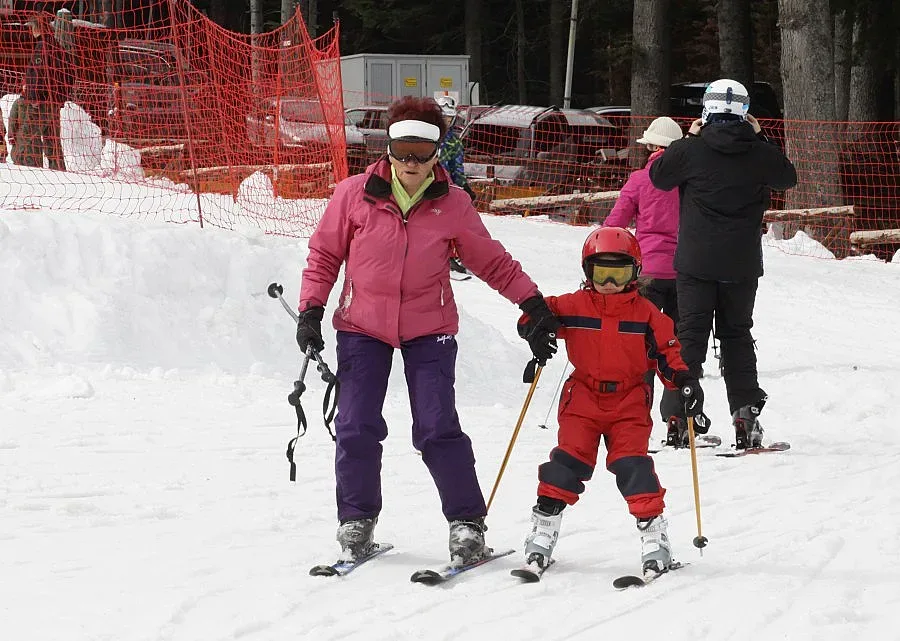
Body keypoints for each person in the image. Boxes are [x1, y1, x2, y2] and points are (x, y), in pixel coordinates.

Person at [295, 95, 558, 566]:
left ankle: (466, 522)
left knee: (436, 426)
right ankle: (356, 519)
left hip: (429, 328)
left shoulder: (452, 203)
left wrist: (532, 304)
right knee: (355, 424)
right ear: (387, 149)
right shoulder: (353, 194)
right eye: (402, 150)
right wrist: (311, 309)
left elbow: (490, 261)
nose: (412, 162)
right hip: (362, 326)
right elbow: (325, 256)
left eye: (423, 151)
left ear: (439, 150)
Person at [516, 227, 709, 574]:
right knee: (566, 463)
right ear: (587, 272)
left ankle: (655, 538)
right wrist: (535, 328)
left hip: (629, 401)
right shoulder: (573, 306)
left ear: (634, 273)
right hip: (583, 399)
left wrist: (684, 382)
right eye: (600, 272)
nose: (608, 282)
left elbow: (669, 355)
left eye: (617, 273)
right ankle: (543, 532)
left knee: (632, 465)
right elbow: (536, 314)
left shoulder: (648, 315)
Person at [649, 79, 797, 449]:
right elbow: (787, 176)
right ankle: (745, 416)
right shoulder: (758, 153)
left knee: (689, 336)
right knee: (737, 335)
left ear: (706, 110)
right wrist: (760, 138)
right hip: (742, 264)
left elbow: (658, 176)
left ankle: (677, 417)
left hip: (696, 262)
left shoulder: (691, 151)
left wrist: (687, 138)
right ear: (745, 112)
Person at [602, 116, 683, 443]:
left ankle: (636, 421)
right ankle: (678, 418)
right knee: (677, 346)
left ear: (651, 146)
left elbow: (613, 225)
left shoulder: (638, 179)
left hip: (647, 272)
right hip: (685, 273)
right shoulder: (689, 181)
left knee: (641, 348)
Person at [435, 95, 476, 277]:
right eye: (443, 117)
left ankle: (454, 256)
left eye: (449, 118)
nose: (446, 121)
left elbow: (456, 167)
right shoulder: (429, 136)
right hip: (424, 186)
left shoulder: (453, 142)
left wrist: (464, 186)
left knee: (452, 221)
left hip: (446, 188)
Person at [24, 13, 68, 171]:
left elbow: (38, 74)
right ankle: (59, 172)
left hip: (42, 102)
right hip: (54, 101)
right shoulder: (57, 46)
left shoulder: (42, 47)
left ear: (37, 27)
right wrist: (61, 98)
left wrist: (34, 97)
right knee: (52, 142)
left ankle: (29, 172)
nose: (30, 31)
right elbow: (69, 74)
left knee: (27, 140)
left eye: (31, 27)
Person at [8, 96, 42, 167]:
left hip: (32, 142)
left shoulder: (39, 102)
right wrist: (11, 136)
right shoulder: (18, 102)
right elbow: (12, 120)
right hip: (22, 141)